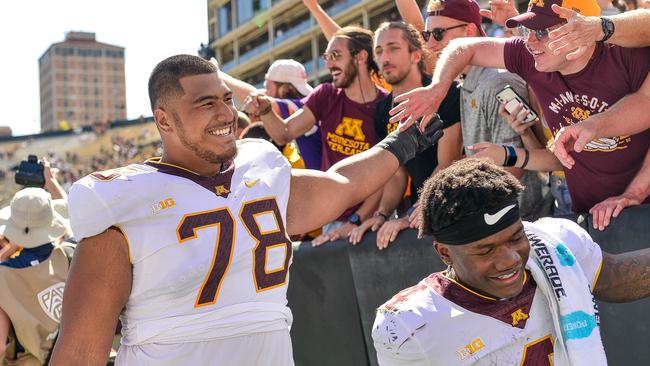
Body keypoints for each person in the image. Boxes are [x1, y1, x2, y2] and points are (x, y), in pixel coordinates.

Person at [48, 54, 444, 365]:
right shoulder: (124, 202)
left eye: (226, 99)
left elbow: (340, 184)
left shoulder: (260, 172)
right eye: (206, 104)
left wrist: (401, 145)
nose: (227, 114)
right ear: (164, 120)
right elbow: (81, 352)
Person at [390, 0, 650, 230]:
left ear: (580, 30)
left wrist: (634, 193)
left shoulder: (628, 56)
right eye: (527, 30)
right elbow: (463, 47)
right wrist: (438, 86)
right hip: (588, 216)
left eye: (540, 31)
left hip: (640, 211)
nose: (529, 41)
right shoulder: (529, 58)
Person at [372, 158, 650, 365]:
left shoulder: (554, 246)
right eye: (485, 250)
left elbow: (617, 278)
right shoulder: (409, 326)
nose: (509, 259)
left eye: (516, 237)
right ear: (445, 253)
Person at [249, 26, 389, 244]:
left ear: (361, 56)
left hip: (374, 220)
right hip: (331, 220)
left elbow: (385, 172)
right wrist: (266, 109)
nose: (328, 64)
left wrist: (356, 220)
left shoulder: (387, 105)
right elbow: (284, 134)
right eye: (326, 56)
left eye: (335, 55)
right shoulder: (325, 95)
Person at [348, 21, 462, 249]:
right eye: (379, 51)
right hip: (418, 211)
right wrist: (382, 215)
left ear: (416, 56)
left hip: (454, 204)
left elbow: (448, 163)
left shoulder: (444, 93)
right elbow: (397, 173)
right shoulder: (382, 110)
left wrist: (409, 216)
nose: (384, 58)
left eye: (393, 48)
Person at [0, 183, 73, 365]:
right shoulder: (71, 253)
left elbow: (0, 346)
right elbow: (72, 225)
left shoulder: (3, 276)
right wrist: (51, 182)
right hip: (79, 355)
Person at [220, 59, 322, 170]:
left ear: (283, 89)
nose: (266, 94)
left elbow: (257, 100)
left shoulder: (300, 107)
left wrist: (217, 74)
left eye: (268, 89)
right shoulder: (309, 104)